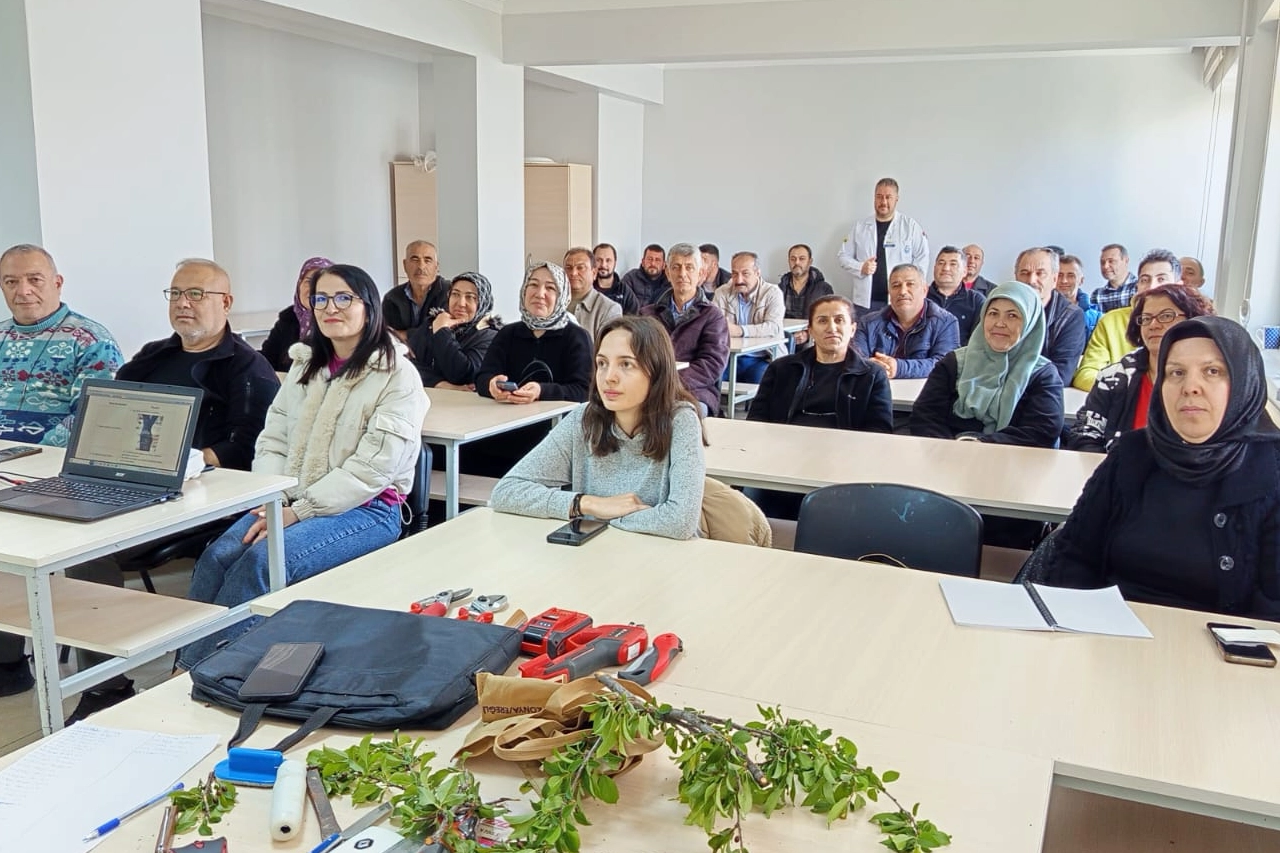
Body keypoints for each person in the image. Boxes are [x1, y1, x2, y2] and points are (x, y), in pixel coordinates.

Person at [59, 258, 280, 722]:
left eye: (197, 294)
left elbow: (249, 447)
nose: (184, 304)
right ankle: (107, 679)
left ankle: (118, 681)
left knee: (95, 551)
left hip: (205, 497)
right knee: (71, 542)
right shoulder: (153, 356)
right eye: (176, 294)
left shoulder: (247, 368)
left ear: (226, 303)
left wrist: (189, 463)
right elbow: (112, 413)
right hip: (132, 481)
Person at [176, 263, 429, 668]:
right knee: (217, 555)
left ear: (369, 307)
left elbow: (372, 471)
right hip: (287, 501)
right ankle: (186, 664)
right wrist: (272, 498)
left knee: (262, 562)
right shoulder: (303, 366)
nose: (331, 308)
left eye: (344, 298)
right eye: (321, 299)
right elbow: (273, 438)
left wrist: (302, 510)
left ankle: (208, 670)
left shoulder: (397, 377)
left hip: (367, 508)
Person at [1047, 316, 1280, 619]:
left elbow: (1273, 611)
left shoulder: (1272, 470)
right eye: (1176, 373)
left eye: (1212, 371)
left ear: (1244, 381)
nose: (1190, 387)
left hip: (1222, 656)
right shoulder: (1132, 454)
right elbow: (1074, 557)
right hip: (1107, 637)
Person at [491, 315, 706, 540]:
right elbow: (506, 492)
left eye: (626, 364)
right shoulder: (584, 419)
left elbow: (680, 522)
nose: (609, 377)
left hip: (666, 561)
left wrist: (604, 519)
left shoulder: (681, 420)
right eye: (602, 363)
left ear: (656, 370)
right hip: (598, 556)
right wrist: (587, 504)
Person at [745, 294, 893, 520]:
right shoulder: (782, 369)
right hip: (783, 462)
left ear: (852, 329)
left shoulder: (871, 376)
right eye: (822, 321)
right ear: (811, 330)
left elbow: (879, 432)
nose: (831, 327)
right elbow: (756, 421)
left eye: (839, 320)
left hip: (842, 467)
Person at [910, 281, 1064, 447]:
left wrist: (979, 445)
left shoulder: (1042, 374)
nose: (999, 323)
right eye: (993, 314)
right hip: (950, 458)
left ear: (1030, 323)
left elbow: (1042, 432)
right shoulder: (954, 363)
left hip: (1015, 463)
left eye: (1012, 316)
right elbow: (925, 417)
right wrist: (951, 451)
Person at [0, 244, 122, 452]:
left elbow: (96, 416)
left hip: (49, 459)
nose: (23, 291)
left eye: (35, 280)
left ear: (57, 283)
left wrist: (32, 452)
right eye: (11, 282)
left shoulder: (92, 341)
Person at [1068, 284, 1215, 453]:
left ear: (1193, 320)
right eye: (1146, 318)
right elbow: (1084, 432)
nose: (1153, 325)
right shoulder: (1116, 376)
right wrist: (1109, 470)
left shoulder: (1212, 378)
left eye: (1166, 316)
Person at [477, 262, 593, 404]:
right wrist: (491, 385)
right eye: (533, 285)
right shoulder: (507, 334)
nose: (540, 294)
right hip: (508, 420)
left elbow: (584, 391)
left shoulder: (577, 337)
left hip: (558, 423)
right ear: (524, 290)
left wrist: (541, 391)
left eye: (550, 287)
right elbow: (482, 377)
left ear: (561, 296)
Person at [1072, 249, 1180, 391]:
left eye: (1161, 279)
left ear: (1178, 285)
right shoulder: (1111, 321)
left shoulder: (1187, 321)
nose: (1151, 287)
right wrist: (1128, 390)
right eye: (1145, 280)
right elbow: (1085, 374)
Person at [640, 243, 730, 416]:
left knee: (680, 415)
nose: (682, 274)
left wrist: (668, 382)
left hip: (694, 391)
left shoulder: (712, 316)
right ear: (667, 272)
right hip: (650, 390)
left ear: (701, 274)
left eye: (689, 268)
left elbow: (711, 365)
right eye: (676, 267)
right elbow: (638, 355)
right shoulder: (647, 314)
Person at [837, 178, 929, 312]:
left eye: (888, 197)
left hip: (899, 302)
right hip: (865, 303)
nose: (883, 202)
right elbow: (842, 256)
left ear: (896, 199)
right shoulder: (860, 227)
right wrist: (860, 267)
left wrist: (912, 287)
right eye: (879, 197)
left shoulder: (910, 227)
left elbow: (922, 258)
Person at [854, 263, 959, 379]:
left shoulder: (946, 322)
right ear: (889, 293)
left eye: (910, 284)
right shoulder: (867, 323)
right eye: (896, 285)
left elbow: (945, 365)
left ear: (924, 290)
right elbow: (855, 362)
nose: (903, 291)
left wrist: (899, 368)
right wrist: (872, 367)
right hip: (879, 391)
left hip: (924, 394)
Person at [408, 272, 502, 390]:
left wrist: (442, 331)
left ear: (482, 302)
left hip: (465, 405)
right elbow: (406, 362)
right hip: (425, 399)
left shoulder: (490, 336)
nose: (461, 303)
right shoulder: (433, 322)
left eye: (470, 297)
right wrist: (441, 384)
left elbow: (462, 374)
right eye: (455, 294)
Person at [1014, 247, 1087, 385]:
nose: (1031, 280)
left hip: (1039, 397)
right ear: (1016, 277)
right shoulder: (1000, 309)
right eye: (1024, 273)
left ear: (1054, 279)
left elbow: (1060, 375)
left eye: (1040, 273)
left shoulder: (1071, 316)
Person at [711, 251, 784, 384]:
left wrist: (740, 331)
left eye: (745, 274)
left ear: (757, 273)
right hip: (728, 356)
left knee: (763, 384)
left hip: (762, 357)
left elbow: (773, 327)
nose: (739, 280)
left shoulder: (772, 293)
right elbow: (713, 325)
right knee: (709, 379)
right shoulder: (722, 292)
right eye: (734, 274)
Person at [260, 256, 333, 371]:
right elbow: (267, 359)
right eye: (308, 281)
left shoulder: (336, 322)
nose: (313, 288)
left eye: (320, 282)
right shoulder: (288, 319)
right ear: (299, 285)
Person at [384, 240, 449, 341]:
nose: (421, 266)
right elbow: (387, 336)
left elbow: (445, 334)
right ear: (405, 265)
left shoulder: (450, 292)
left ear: (436, 266)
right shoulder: (392, 298)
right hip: (404, 355)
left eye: (427, 260)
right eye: (415, 260)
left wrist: (406, 335)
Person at [777, 243, 834, 347]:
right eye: (793, 259)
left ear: (810, 262)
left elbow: (828, 320)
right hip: (783, 337)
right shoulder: (779, 289)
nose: (797, 262)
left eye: (802, 259)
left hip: (812, 338)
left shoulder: (823, 288)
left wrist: (808, 334)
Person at [927, 245, 986, 344]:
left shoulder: (976, 301)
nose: (946, 268)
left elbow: (979, 342)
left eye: (953, 264)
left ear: (964, 271)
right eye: (941, 263)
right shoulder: (920, 297)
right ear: (934, 268)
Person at [564, 247, 622, 341]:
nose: (573, 273)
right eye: (568, 268)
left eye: (580, 268)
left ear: (594, 273)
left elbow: (609, 350)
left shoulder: (609, 309)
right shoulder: (552, 302)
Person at [1056, 254, 1101, 337]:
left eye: (1070, 276)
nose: (1064, 281)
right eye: (1060, 275)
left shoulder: (1097, 318)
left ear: (1081, 280)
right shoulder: (1042, 312)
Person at [593, 243, 640, 314]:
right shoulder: (586, 289)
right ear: (592, 262)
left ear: (615, 262)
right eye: (599, 260)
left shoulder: (625, 291)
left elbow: (633, 321)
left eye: (608, 260)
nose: (603, 265)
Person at [1093, 243, 1138, 313]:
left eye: (1111, 261)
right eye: (1102, 262)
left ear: (1126, 261)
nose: (1105, 266)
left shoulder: (1139, 288)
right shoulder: (1097, 294)